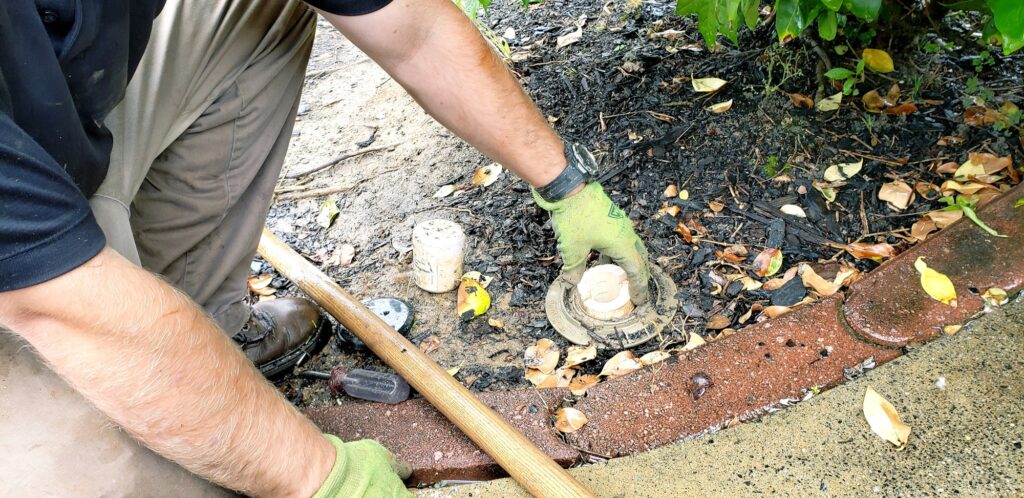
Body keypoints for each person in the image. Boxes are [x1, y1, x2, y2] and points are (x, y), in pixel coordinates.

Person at [0, 0, 649, 495]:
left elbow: (412, 27)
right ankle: (172, 389)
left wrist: (564, 184)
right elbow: (56, 303)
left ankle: (201, 334)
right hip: (26, 287)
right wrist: (319, 477)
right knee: (165, 475)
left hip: (60, 133)